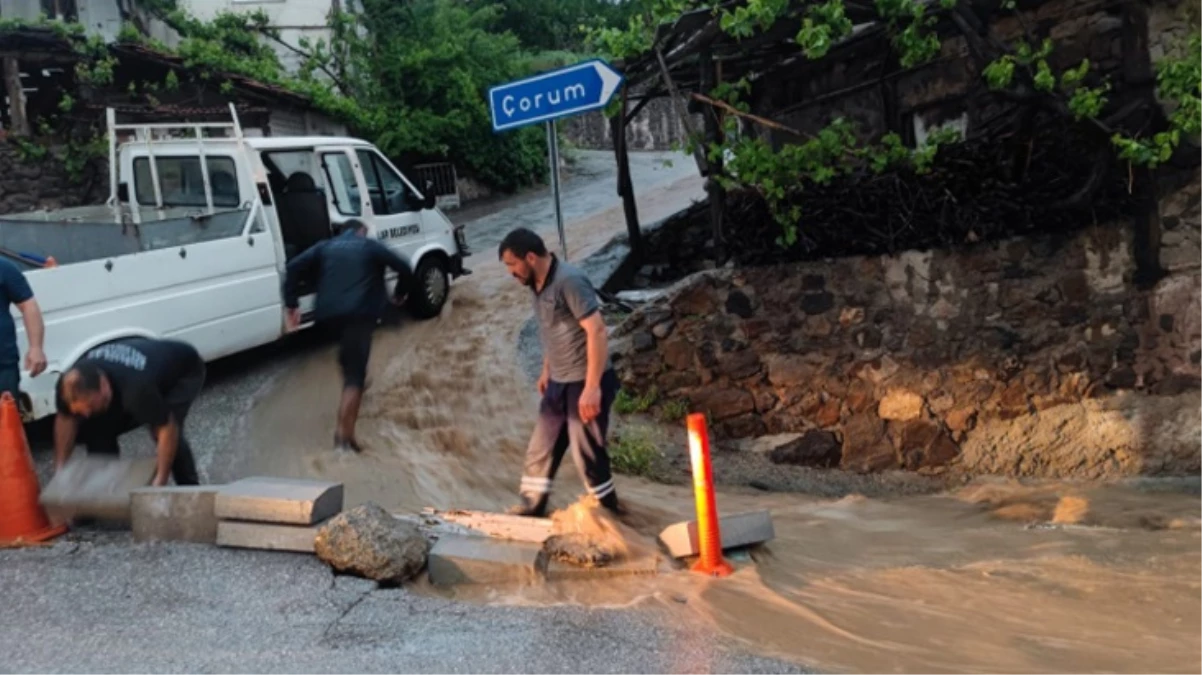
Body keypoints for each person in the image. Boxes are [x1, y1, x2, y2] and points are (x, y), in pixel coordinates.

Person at [498, 228, 622, 517]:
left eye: (512, 264)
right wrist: (545, 369)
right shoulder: (535, 284)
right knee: (541, 447)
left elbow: (597, 331)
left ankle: (608, 514)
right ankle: (532, 507)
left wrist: (592, 388)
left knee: (586, 453)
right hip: (558, 380)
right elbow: (550, 329)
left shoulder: (570, 281)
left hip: (586, 379)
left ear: (530, 257)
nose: (510, 272)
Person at [282, 219, 416, 452]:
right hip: (359, 313)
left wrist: (292, 304)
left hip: (326, 316)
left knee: (350, 359)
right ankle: (344, 439)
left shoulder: (325, 246)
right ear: (361, 232)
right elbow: (404, 267)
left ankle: (356, 383)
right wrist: (400, 294)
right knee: (354, 376)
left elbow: (293, 266)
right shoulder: (369, 246)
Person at [54, 337, 206, 487]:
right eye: (81, 411)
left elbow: (167, 430)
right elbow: (65, 420)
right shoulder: (68, 387)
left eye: (90, 405)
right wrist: (61, 470)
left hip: (183, 371)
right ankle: (106, 488)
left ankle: (189, 488)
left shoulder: (136, 390)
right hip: (138, 373)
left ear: (104, 386)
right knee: (95, 427)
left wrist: (160, 480)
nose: (86, 413)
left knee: (165, 428)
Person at [0, 257, 47, 397]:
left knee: (7, 416)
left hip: (3, 366)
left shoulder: (4, 268)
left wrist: (36, 348)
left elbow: (28, 305)